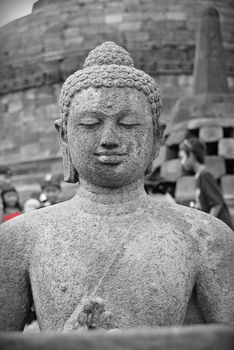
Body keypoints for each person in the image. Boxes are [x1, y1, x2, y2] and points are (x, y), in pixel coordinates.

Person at [0, 42, 233, 332]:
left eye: (129, 123)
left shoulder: (207, 238)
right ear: (64, 136)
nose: (109, 138)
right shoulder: (18, 240)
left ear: (156, 137)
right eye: (89, 123)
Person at [179, 138, 234, 230]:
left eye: (182, 157)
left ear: (191, 155)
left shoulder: (205, 175)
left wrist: (206, 225)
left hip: (222, 229)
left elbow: (217, 203)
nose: (181, 162)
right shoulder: (199, 176)